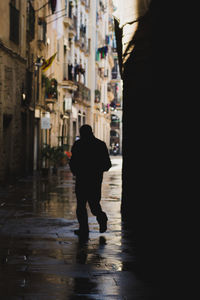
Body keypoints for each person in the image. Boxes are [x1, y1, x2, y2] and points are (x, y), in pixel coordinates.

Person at [69, 124, 112, 238]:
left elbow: (72, 162)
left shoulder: (78, 145)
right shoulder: (100, 145)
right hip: (95, 180)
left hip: (82, 180)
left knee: (82, 205)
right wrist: (97, 170)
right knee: (93, 205)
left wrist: (76, 171)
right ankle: (100, 218)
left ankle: (84, 229)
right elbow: (107, 164)